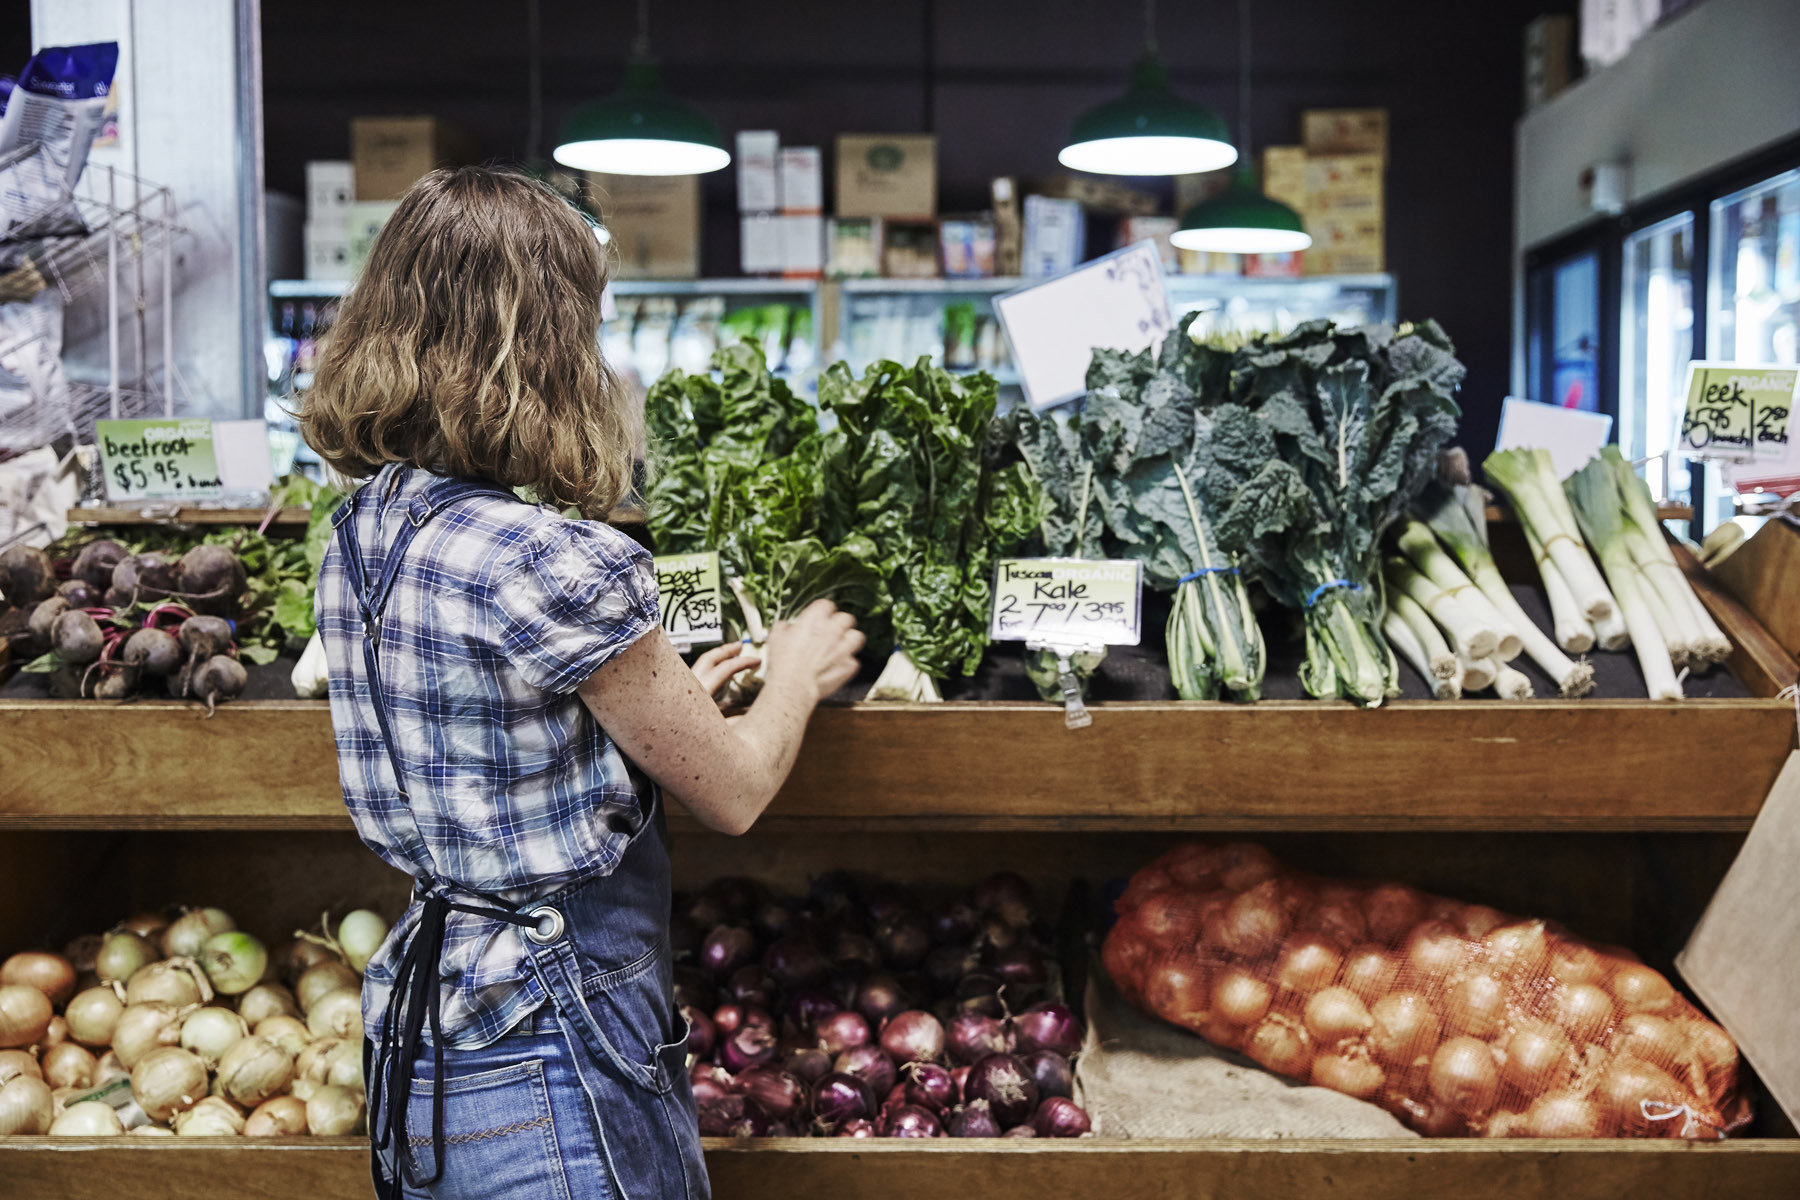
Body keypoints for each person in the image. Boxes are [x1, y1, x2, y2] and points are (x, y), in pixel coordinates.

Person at [299, 165, 862, 1200]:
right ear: (545, 347)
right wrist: (796, 675)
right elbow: (734, 793)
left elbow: (497, 717)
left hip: (428, 1028)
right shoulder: (557, 559)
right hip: (556, 1036)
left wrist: (664, 688)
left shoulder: (363, 529)